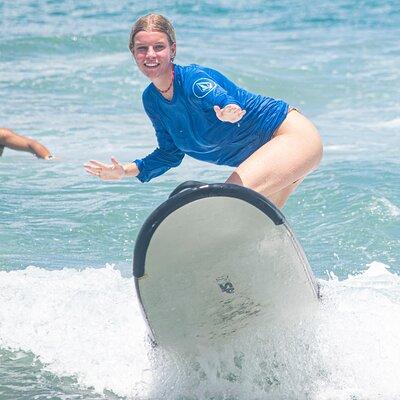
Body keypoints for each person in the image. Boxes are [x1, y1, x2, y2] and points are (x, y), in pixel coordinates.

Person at [85, 14, 323, 208]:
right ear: (133, 53)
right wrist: (122, 171)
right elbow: (169, 154)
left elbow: (219, 98)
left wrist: (228, 110)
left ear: (173, 50)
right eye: (142, 48)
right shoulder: (151, 100)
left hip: (291, 137)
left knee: (228, 201)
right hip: (270, 154)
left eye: (159, 47)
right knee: (252, 227)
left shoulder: (193, 81)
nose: (150, 55)